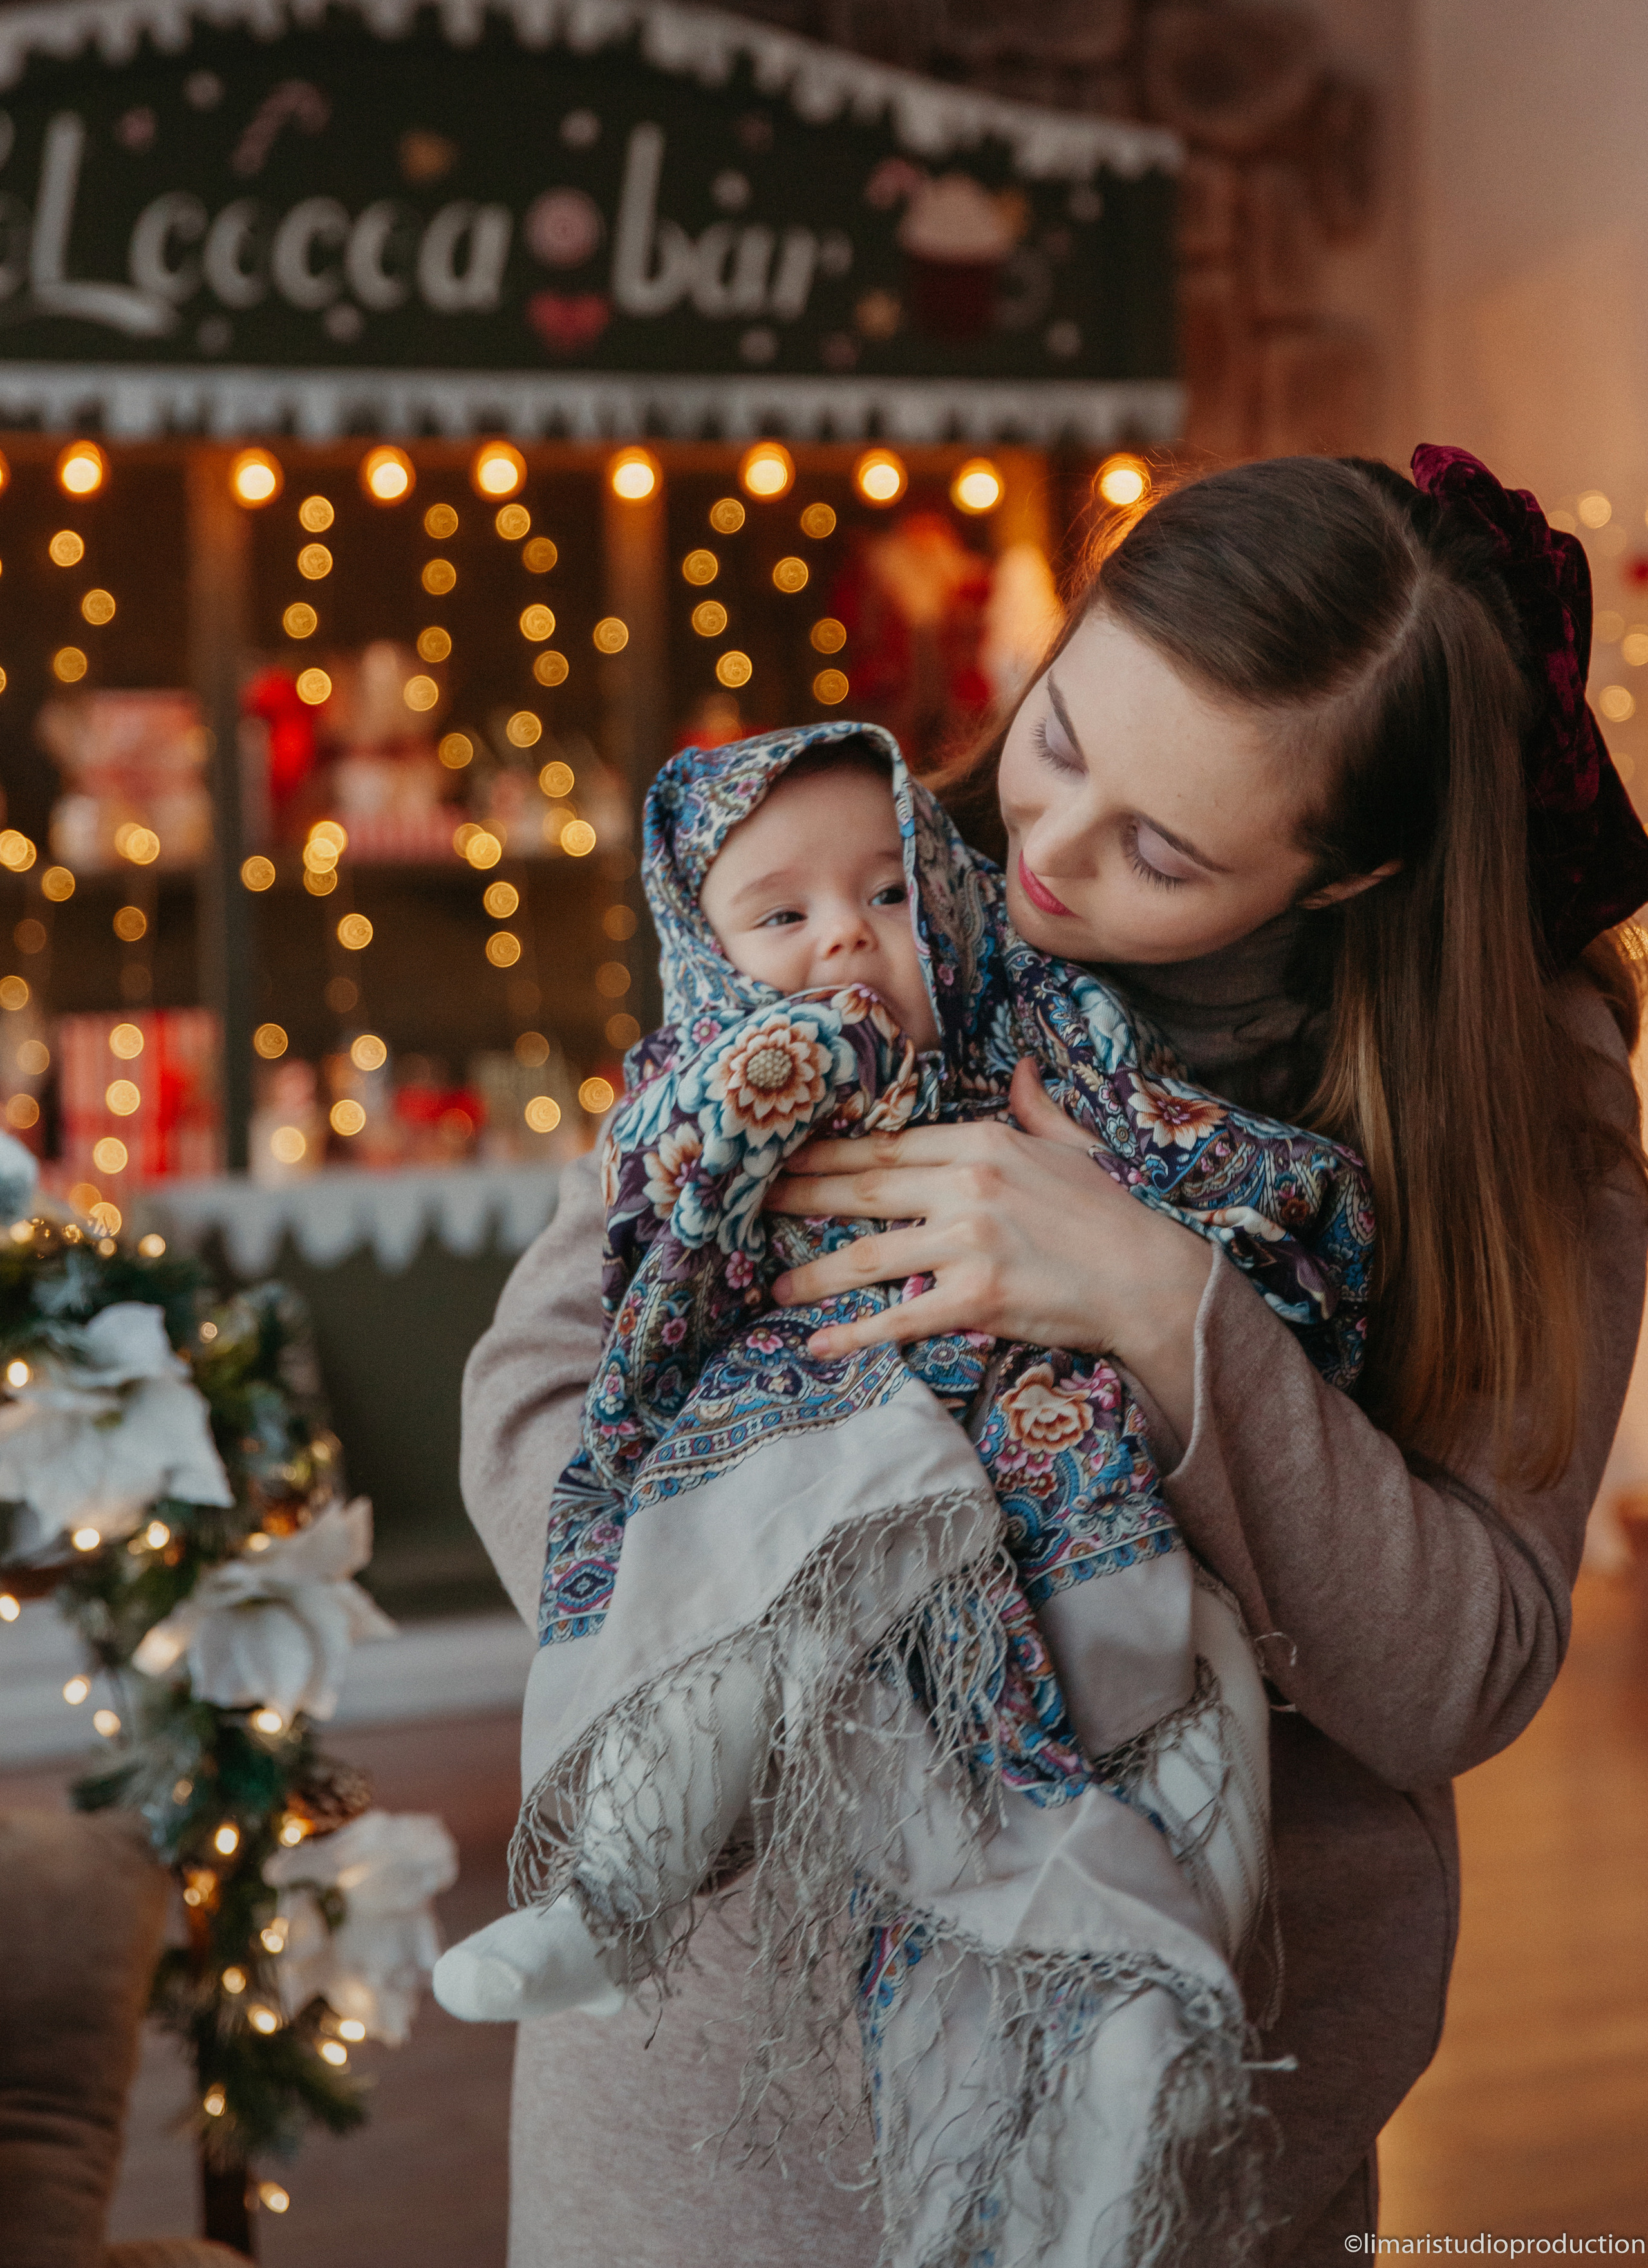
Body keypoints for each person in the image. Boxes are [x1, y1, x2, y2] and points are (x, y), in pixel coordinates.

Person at [461, 449, 1648, 2267]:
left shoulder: (1516, 1099)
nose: (1046, 861)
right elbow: (540, 1403)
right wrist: (809, 1624)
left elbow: (1462, 1670)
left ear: (1358, 875)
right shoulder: (862, 889)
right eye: (1065, 737)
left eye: (1163, 849)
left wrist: (1170, 1314)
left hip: (1195, 2149)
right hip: (714, 2133)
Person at [439, 722, 1373, 2265]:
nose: (844, 941)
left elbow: (1206, 1167)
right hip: (806, 1453)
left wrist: (1153, 1216)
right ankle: (616, 1883)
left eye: (882, 893)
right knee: (764, 1644)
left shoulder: (1033, 1038)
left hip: (1041, 1455)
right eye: (780, 915)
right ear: (704, 950)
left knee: (1159, 1677)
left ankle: (1145, 1980)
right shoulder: (693, 1079)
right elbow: (600, 1294)